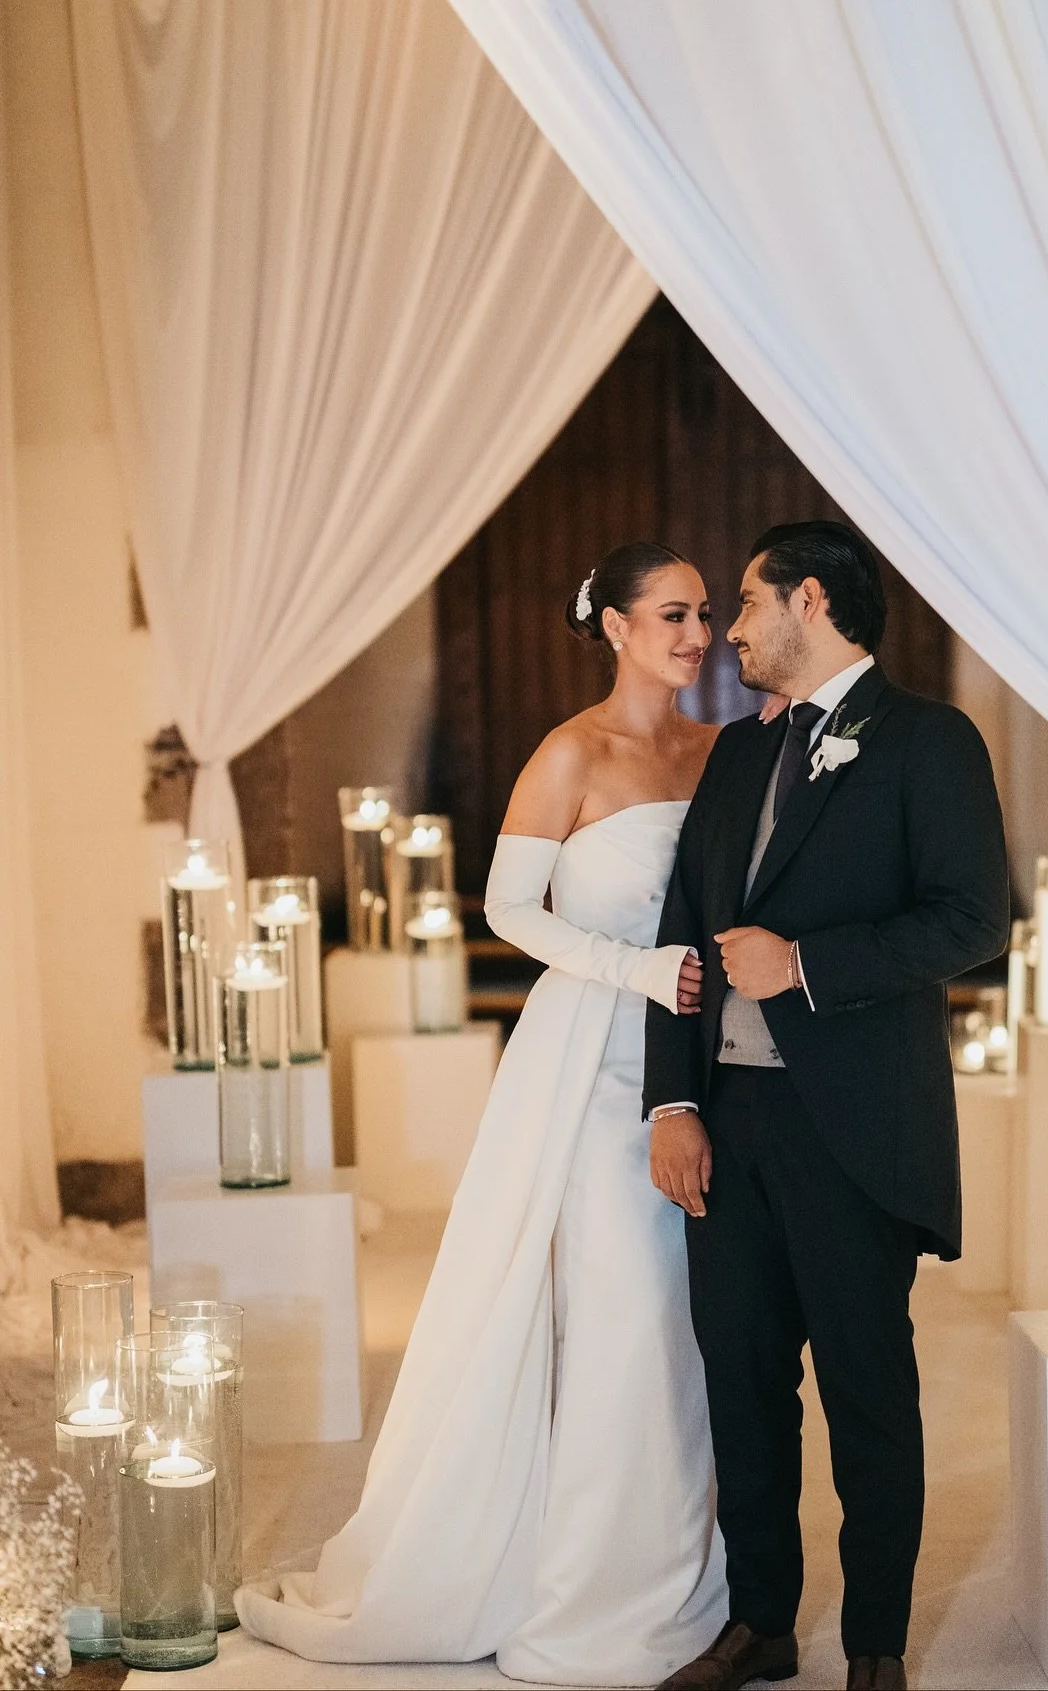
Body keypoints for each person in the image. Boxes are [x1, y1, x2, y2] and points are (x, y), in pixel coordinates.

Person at [237, 542, 728, 1683]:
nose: (697, 635)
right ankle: (593, 1596)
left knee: (694, 1321)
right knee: (626, 1310)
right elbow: (510, 909)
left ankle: (674, 1572)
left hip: (706, 1054)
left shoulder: (720, 750)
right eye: (672, 614)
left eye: (705, 613)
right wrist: (635, 970)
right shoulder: (571, 752)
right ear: (615, 626)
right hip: (591, 1057)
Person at [646, 521, 1009, 1691]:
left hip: (854, 1127)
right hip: (727, 1122)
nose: (732, 632)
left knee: (867, 1391)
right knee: (741, 1383)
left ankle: (875, 1647)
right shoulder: (737, 755)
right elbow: (681, 936)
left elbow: (972, 920)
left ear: (811, 601)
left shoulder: (928, 740)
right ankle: (759, 1624)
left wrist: (805, 964)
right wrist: (671, 1103)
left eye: (749, 603)